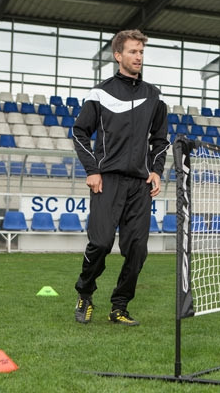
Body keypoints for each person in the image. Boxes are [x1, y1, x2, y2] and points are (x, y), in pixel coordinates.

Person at [72, 29, 169, 326]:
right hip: (107, 181)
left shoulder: (153, 95)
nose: (138, 57)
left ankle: (120, 306)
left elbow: (160, 138)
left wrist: (156, 170)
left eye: (141, 52)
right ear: (118, 55)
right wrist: (92, 170)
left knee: (138, 249)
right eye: (132, 52)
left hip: (139, 185)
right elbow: (79, 132)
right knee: (100, 244)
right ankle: (85, 294)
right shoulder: (100, 93)